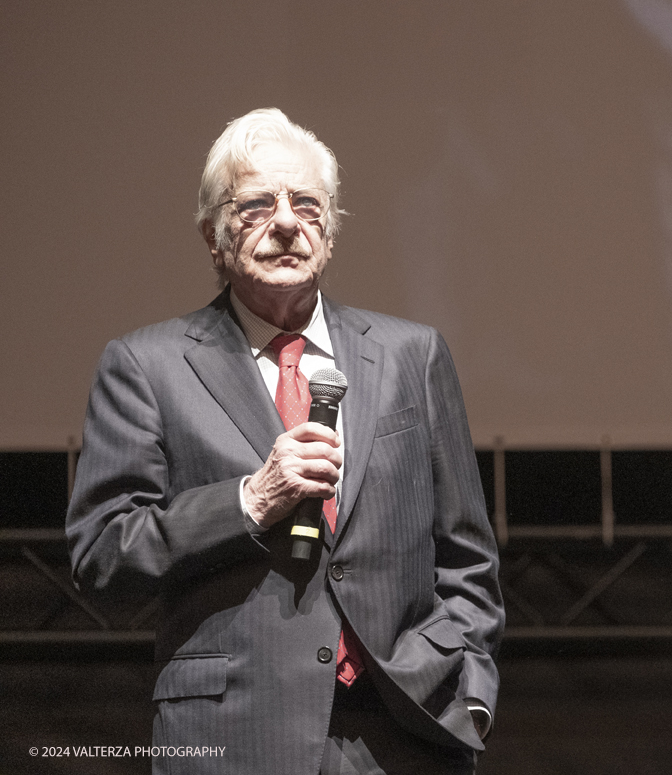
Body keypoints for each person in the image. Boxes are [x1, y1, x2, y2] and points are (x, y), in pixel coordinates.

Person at [66, 108, 503, 775]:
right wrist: (247, 500)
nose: (287, 221)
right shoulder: (147, 366)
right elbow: (102, 557)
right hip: (234, 737)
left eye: (306, 202)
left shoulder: (412, 355)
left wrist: (469, 695)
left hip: (407, 733)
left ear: (330, 232)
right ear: (213, 236)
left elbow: (467, 555)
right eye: (256, 204)